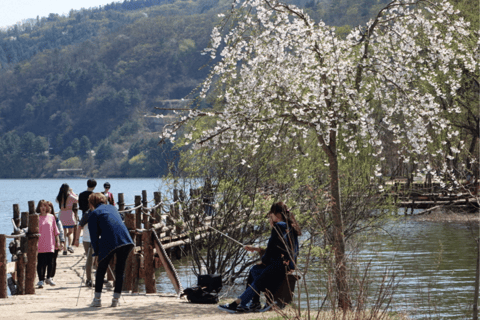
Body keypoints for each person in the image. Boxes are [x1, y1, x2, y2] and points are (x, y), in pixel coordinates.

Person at [218, 201, 301, 313]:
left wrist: (264, 262)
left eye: (271, 214)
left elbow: (271, 251)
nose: (270, 217)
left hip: (279, 265)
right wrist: (256, 249)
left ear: (276, 213)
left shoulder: (278, 227)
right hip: (288, 264)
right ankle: (255, 303)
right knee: (254, 270)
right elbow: (281, 249)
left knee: (259, 279)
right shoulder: (290, 226)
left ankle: (238, 304)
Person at [88, 193, 134, 307]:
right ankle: (116, 299)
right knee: (120, 269)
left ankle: (97, 299)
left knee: (101, 269)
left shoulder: (94, 213)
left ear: (92, 203)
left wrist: (97, 252)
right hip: (125, 240)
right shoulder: (113, 207)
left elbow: (94, 236)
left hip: (110, 240)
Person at [36, 200, 61, 288]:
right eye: (41, 206)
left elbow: (55, 230)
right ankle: (40, 280)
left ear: (47, 207)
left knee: (50, 262)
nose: (43, 208)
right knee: (40, 263)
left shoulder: (51, 217)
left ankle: (49, 278)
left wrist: (58, 241)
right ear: (39, 207)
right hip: (40, 244)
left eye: (45, 206)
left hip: (50, 243)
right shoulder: (36, 218)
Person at [78, 179, 97, 287]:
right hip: (93, 217)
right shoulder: (95, 195)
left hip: (85, 218)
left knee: (90, 256)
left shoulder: (81, 195)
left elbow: (80, 207)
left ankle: (90, 278)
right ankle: (95, 277)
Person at [46, 201, 65, 284]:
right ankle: (44, 277)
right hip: (45, 243)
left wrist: (62, 241)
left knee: (53, 260)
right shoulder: (41, 218)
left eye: (49, 207)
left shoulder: (56, 220)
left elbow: (61, 231)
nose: (47, 209)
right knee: (44, 260)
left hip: (54, 243)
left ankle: (50, 276)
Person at [56, 183, 78, 255]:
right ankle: (70, 246)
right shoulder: (70, 196)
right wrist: (72, 192)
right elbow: (77, 199)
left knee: (63, 233)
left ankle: (65, 249)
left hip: (62, 215)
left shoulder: (59, 197)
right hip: (69, 215)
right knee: (70, 232)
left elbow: (56, 201)